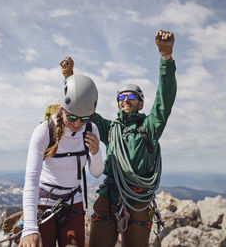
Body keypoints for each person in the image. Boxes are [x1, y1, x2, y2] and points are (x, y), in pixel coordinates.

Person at [88, 30, 177, 247]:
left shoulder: (149, 127)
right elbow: (85, 110)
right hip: (109, 196)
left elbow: (163, 102)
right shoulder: (111, 129)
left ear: (140, 103)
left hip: (139, 201)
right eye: (121, 97)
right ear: (118, 103)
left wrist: (166, 59)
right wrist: (69, 79)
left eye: (131, 97)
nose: (125, 100)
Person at [19, 60, 104, 247]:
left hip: (73, 202)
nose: (76, 124)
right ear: (62, 109)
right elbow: (31, 179)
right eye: (72, 117)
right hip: (44, 202)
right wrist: (30, 228)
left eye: (84, 119)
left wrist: (96, 152)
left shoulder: (91, 129)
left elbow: (97, 172)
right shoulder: (43, 132)